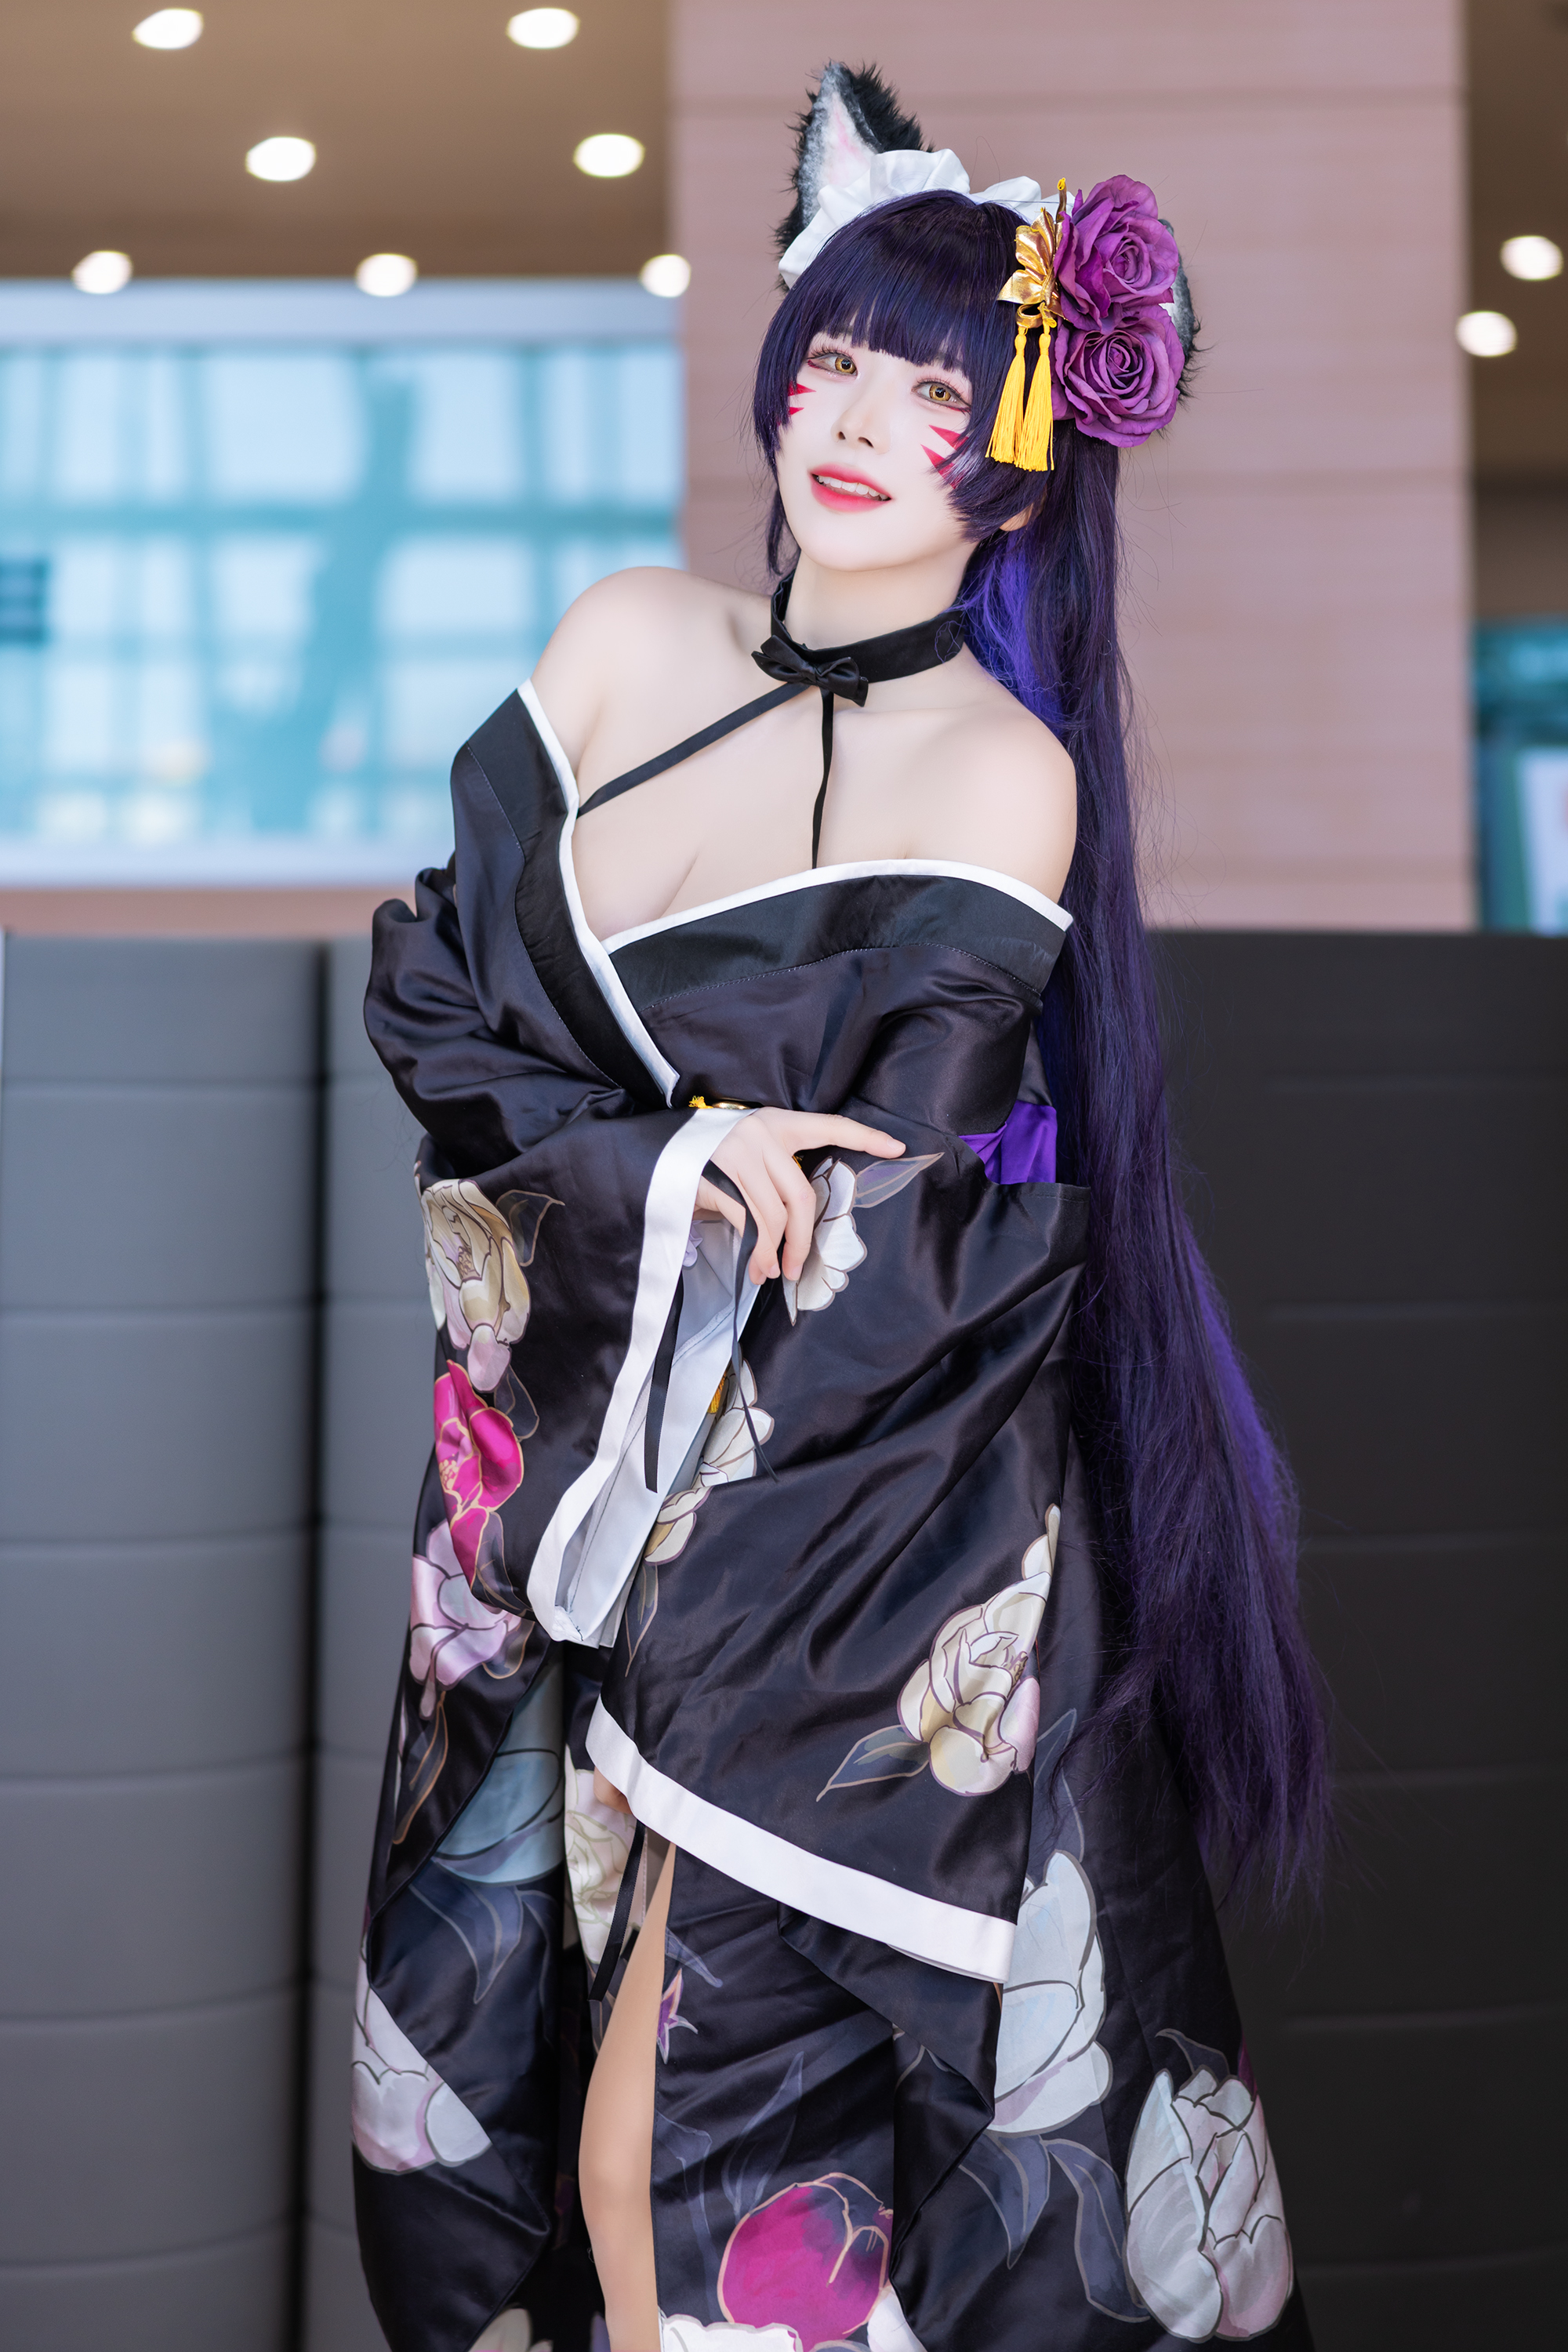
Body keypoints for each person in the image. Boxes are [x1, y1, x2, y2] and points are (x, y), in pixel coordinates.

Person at [353, 62, 1326, 2352]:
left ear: (1022, 473)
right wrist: (681, 1164)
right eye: (839, 361)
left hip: (852, 1549)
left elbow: (885, 1249)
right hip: (569, 1494)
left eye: (939, 391)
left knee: (673, 2184)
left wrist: (682, 1195)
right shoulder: (622, 639)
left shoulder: (1004, 775)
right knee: (574, 2161)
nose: (865, 419)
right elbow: (434, 996)